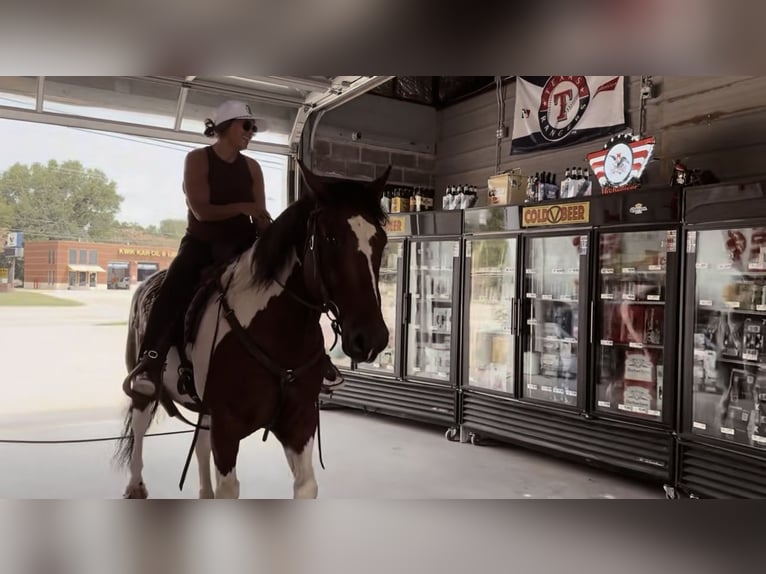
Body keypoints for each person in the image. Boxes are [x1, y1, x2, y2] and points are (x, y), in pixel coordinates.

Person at [128, 100, 273, 398]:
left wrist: (271, 233)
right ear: (225, 127)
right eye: (246, 126)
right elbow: (202, 211)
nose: (251, 132)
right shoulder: (197, 159)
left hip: (242, 245)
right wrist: (245, 207)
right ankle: (149, 362)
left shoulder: (253, 167)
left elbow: (260, 215)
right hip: (201, 244)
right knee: (173, 287)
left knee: (281, 282)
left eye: (253, 128)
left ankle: (307, 359)